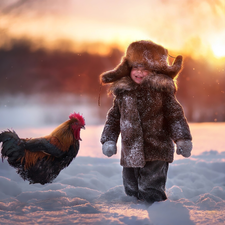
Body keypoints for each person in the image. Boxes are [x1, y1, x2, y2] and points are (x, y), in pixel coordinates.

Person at [100, 40, 192, 204]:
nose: (139, 72)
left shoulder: (162, 92)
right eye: (135, 68)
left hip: (156, 149)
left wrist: (182, 139)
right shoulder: (123, 93)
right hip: (130, 152)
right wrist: (108, 139)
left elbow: (175, 116)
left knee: (150, 190)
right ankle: (133, 216)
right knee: (131, 190)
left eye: (145, 69)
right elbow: (113, 118)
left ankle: (156, 213)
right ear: (128, 69)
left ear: (156, 71)